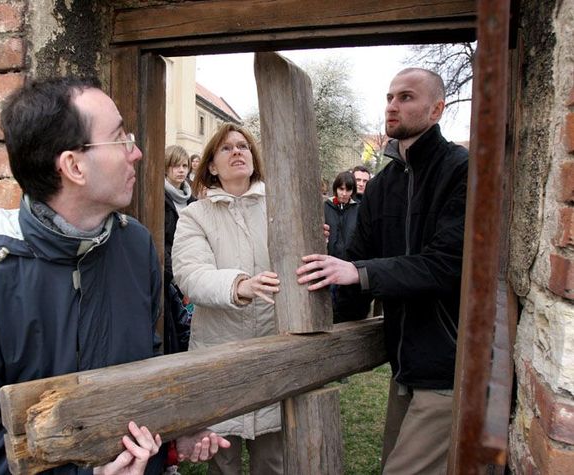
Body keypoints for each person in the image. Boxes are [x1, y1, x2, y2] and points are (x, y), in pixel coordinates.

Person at [0, 77, 228, 475]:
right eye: (120, 138)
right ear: (73, 166)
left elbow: (148, 368)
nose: (136, 152)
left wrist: (173, 436)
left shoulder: (136, 247)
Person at [296, 68, 468, 474]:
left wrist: (359, 273)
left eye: (406, 97)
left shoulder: (460, 169)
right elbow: (356, 263)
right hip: (403, 368)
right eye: (390, 97)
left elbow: (446, 265)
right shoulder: (383, 183)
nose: (393, 105)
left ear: (437, 108)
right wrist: (318, 289)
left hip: (450, 367)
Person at [172, 123, 283, 475]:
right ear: (211, 167)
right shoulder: (194, 216)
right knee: (223, 461)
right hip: (219, 355)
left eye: (243, 146)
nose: (237, 152)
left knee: (274, 461)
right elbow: (190, 274)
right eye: (226, 148)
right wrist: (239, 286)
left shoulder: (280, 209)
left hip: (273, 352)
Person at [164, 145, 196, 354]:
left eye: (184, 165)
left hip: (192, 271)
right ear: (166, 168)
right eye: (175, 166)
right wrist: (176, 276)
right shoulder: (159, 198)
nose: (181, 170)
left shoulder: (193, 200)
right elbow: (161, 241)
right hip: (171, 277)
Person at [323, 171, 360, 322]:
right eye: (341, 189)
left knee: (345, 307)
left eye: (348, 190)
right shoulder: (326, 206)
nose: (344, 193)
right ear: (336, 188)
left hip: (348, 265)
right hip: (327, 263)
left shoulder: (358, 209)